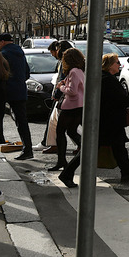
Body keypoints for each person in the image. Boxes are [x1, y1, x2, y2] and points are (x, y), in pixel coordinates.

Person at [60, 53, 129, 187]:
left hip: (107, 120)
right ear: (110, 65)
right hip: (107, 122)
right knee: (90, 150)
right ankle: (66, 174)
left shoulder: (103, 77)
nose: (119, 65)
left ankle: (127, 171)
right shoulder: (108, 79)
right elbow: (121, 99)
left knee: (119, 146)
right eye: (117, 62)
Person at [0, 33, 33, 160]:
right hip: (20, 90)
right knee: (22, 121)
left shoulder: (3, 53)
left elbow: (0, 73)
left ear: (2, 42)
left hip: (6, 90)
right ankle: (28, 148)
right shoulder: (20, 52)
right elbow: (27, 73)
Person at [54, 48, 86, 185]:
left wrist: (60, 87)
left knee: (60, 131)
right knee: (71, 131)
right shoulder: (80, 70)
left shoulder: (73, 71)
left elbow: (72, 91)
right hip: (78, 105)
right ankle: (67, 157)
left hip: (71, 106)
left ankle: (63, 160)